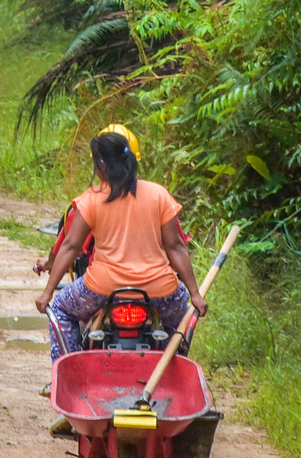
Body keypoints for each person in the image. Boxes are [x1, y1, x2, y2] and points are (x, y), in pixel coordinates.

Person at [35, 125, 207, 363]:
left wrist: (47, 293)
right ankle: (171, 366)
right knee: (181, 319)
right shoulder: (159, 195)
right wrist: (195, 294)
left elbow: (70, 247)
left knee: (62, 310)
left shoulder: (91, 199)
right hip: (160, 290)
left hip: (102, 288)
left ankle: (69, 371)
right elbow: (176, 247)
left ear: (102, 165)